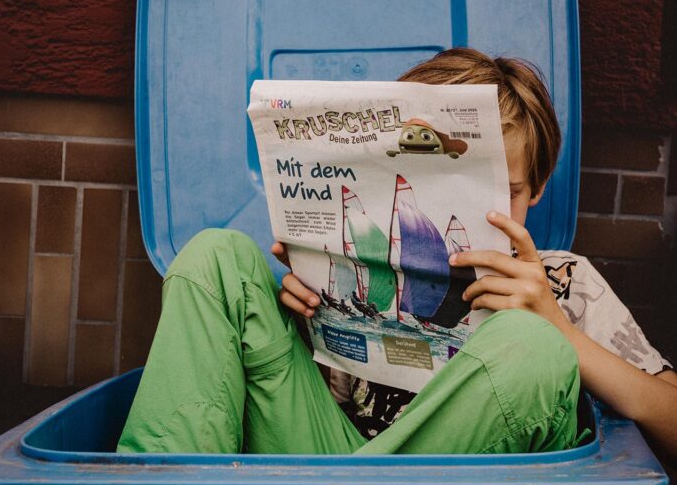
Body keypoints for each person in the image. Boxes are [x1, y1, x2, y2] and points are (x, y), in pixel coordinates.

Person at [117, 49, 677, 463]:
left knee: (532, 347)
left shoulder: (564, 279)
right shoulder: (372, 251)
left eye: (499, 190)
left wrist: (561, 332)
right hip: (313, 462)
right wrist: (306, 301)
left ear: (536, 187)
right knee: (216, 257)